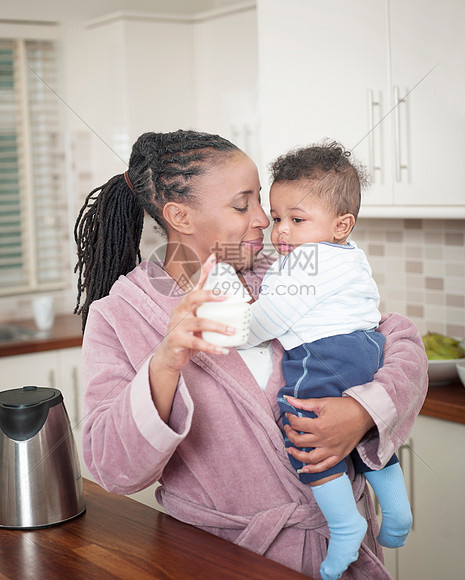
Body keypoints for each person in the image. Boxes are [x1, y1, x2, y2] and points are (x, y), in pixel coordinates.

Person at [74, 130, 428, 579]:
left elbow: (395, 339)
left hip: (342, 550)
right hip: (226, 558)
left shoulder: (287, 268)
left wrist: (363, 412)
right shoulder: (122, 315)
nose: (264, 219)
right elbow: (112, 468)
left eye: (262, 200)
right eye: (243, 205)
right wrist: (165, 361)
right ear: (180, 215)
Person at [240, 142, 412, 580]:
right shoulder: (346, 255)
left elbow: (268, 320)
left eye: (297, 220)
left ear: (341, 224)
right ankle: (395, 509)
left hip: (323, 354)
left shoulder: (308, 261)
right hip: (365, 348)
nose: (281, 231)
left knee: (302, 428)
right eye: (277, 218)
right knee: (364, 432)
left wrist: (234, 331)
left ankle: (344, 523)